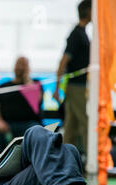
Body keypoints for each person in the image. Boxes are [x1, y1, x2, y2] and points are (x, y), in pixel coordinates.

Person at [53, 0, 91, 159]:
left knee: (71, 127)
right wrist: (56, 88)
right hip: (76, 87)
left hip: (78, 86)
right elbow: (63, 62)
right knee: (85, 124)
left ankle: (65, 162)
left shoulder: (81, 33)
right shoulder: (76, 35)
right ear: (88, 11)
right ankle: (92, 162)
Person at [0, 57, 43, 152]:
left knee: (35, 131)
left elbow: (37, 102)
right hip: (7, 124)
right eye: (19, 64)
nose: (21, 68)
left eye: (24, 65)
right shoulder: (4, 86)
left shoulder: (35, 84)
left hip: (29, 123)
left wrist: (27, 81)